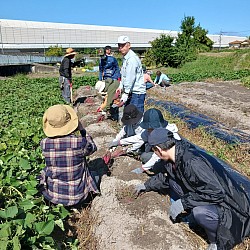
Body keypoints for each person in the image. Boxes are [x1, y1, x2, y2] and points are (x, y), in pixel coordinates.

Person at [135, 127, 250, 250]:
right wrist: (146, 185)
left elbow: (216, 193)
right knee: (173, 182)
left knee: (200, 212)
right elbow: (165, 177)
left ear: (158, 149)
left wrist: (183, 203)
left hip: (232, 209)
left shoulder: (192, 162)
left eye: (153, 150)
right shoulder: (175, 157)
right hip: (213, 198)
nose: (154, 153)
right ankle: (195, 218)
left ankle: (215, 241)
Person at [38, 104, 100, 207]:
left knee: (44, 171)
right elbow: (93, 147)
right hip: (78, 197)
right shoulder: (80, 143)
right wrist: (82, 130)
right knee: (95, 175)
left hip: (54, 197)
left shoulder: (44, 143)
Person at [116, 36, 146, 113]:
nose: (121, 48)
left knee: (136, 117)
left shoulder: (132, 59)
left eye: (123, 45)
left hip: (137, 93)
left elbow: (130, 77)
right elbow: (124, 75)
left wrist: (125, 93)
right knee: (129, 116)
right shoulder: (126, 58)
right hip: (131, 92)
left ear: (129, 45)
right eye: (119, 45)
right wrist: (120, 87)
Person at [98, 46, 121, 119]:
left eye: (103, 55)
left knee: (110, 94)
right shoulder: (101, 61)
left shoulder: (112, 59)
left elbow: (117, 68)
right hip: (106, 79)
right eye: (100, 56)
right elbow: (101, 70)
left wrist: (118, 78)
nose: (102, 57)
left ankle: (105, 108)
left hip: (113, 78)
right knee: (104, 94)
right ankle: (104, 106)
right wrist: (100, 79)